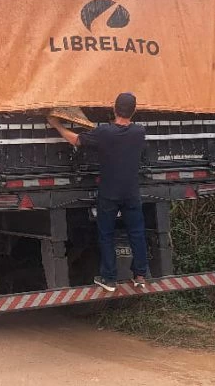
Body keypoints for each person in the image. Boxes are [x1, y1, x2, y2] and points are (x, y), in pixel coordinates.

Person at [47, 92, 148, 292]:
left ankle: (109, 279)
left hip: (109, 194)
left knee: (106, 235)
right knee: (137, 233)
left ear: (113, 109)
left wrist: (56, 125)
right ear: (134, 111)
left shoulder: (104, 133)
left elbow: (76, 140)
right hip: (131, 193)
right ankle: (140, 276)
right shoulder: (139, 132)